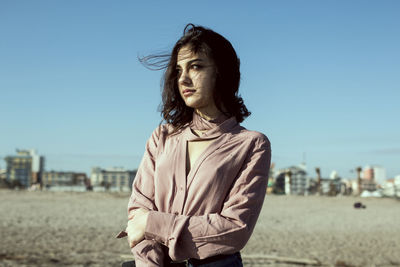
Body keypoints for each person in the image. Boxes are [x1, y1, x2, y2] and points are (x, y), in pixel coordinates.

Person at [119, 23, 271, 267]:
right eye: (179, 70)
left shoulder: (251, 144)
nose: (184, 79)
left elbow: (234, 229)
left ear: (222, 72)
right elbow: (138, 210)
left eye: (196, 66)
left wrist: (153, 223)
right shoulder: (162, 136)